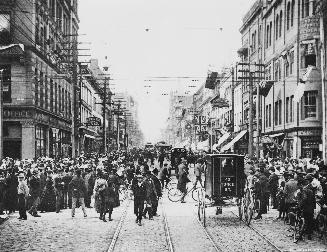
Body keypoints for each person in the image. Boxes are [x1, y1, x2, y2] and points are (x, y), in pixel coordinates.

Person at [297, 176, 315, 240]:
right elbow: (313, 200)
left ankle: (302, 233)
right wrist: (313, 207)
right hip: (311, 208)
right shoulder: (311, 191)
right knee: (310, 221)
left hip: (305, 208)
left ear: (301, 185)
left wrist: (300, 206)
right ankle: (309, 235)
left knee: (304, 220)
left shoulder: (303, 191)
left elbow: (304, 199)